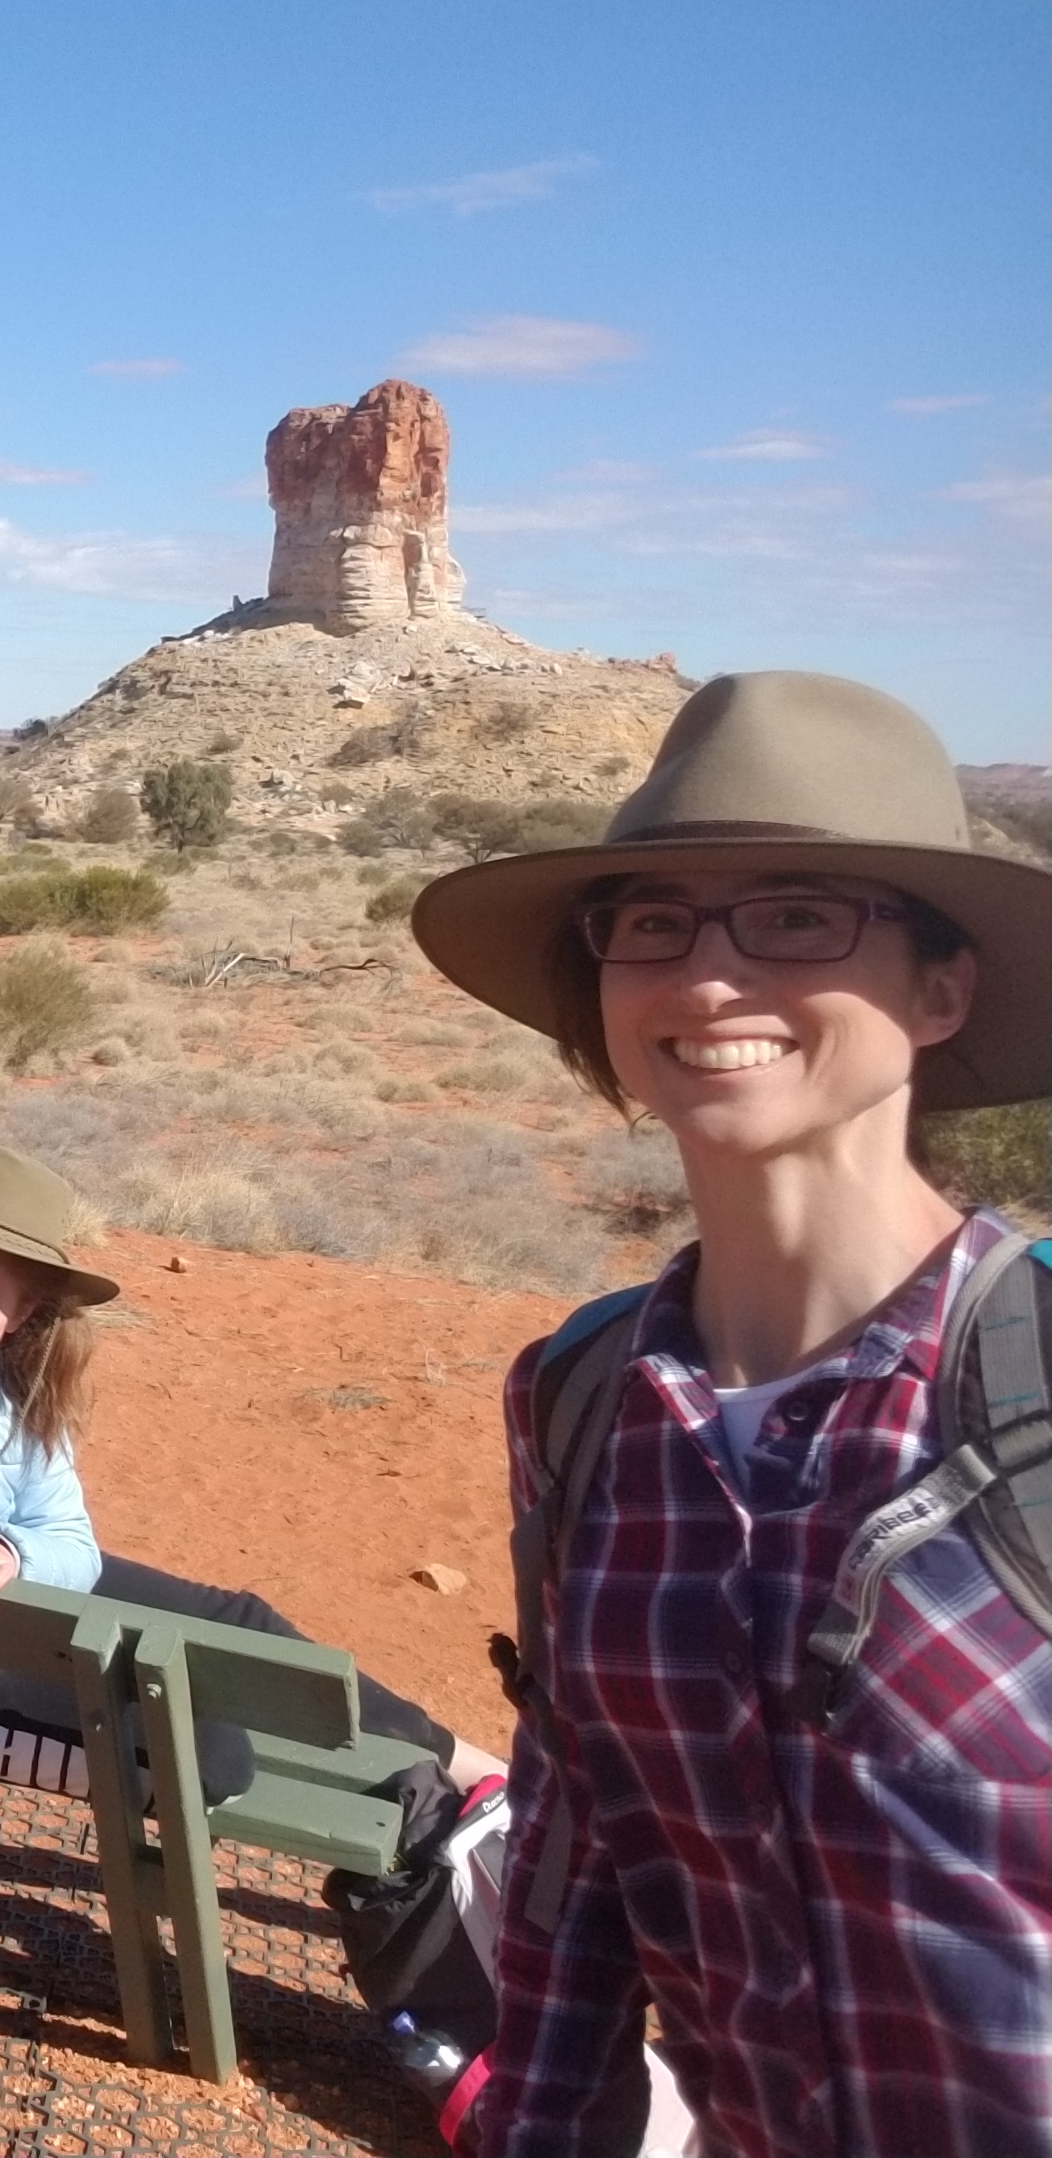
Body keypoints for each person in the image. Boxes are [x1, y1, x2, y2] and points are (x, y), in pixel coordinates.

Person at [411, 670, 1050, 2158]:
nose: (706, 978)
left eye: (797, 917)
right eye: (654, 922)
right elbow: (575, 1848)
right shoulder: (582, 1399)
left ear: (941, 990)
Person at [0, 1142, 502, 1888]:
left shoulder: (19, 1382)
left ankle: (465, 1766)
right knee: (209, 1762)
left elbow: (70, 1540)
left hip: (16, 1609)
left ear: (23, 1313)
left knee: (242, 1623)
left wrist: (8, 1550)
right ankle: (415, 1801)